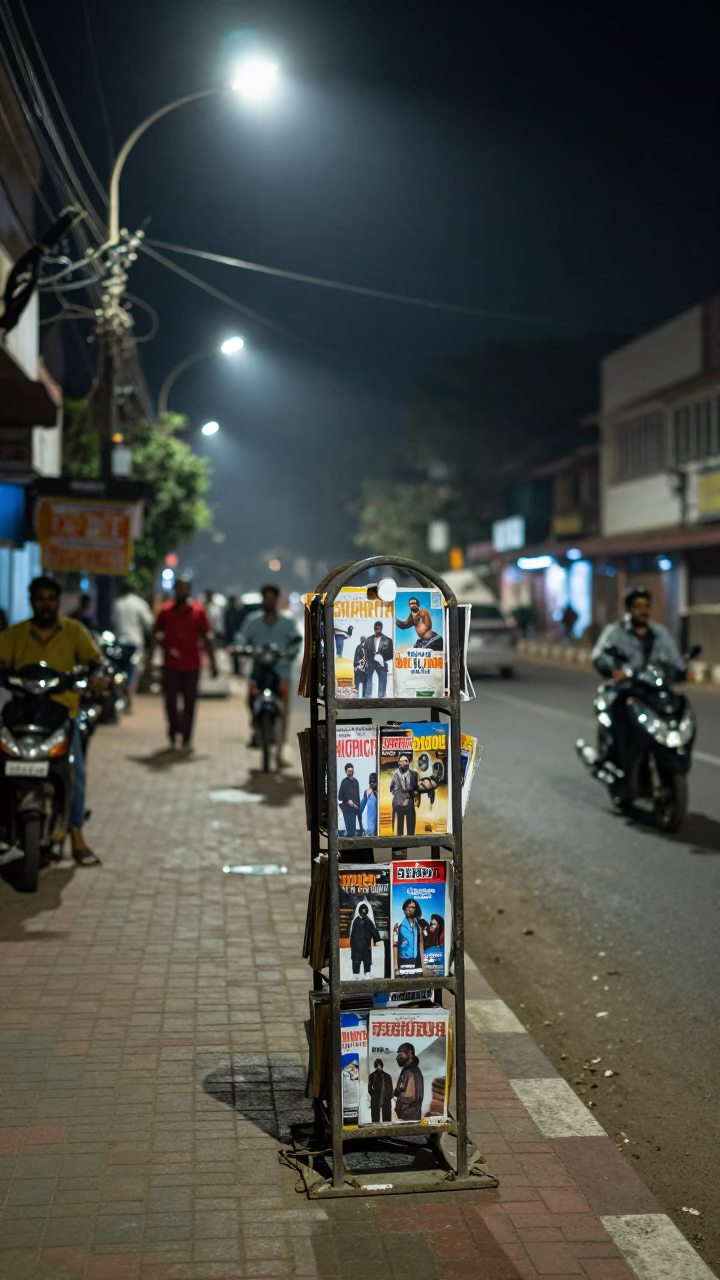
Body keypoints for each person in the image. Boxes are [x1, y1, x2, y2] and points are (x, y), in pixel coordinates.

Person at [0, 576, 104, 866]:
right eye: (39, 599)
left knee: (76, 771)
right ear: (31, 601)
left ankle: (77, 838)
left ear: (57, 602)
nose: (45, 605)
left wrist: (97, 678)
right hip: (22, 712)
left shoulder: (73, 632)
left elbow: (95, 661)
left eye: (50, 599)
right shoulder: (14, 635)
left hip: (61, 713)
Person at [591, 587, 684, 775]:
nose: (643, 611)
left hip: (653, 690)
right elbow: (598, 656)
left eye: (647, 606)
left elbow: (676, 661)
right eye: (637, 606)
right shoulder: (615, 632)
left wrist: (682, 671)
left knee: (677, 708)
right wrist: (612, 670)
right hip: (626, 690)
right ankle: (621, 765)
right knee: (622, 723)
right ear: (628, 609)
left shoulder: (660, 633)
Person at [148, 577, 217, 751]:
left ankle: (187, 737)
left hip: (192, 665)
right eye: (179, 588)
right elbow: (155, 635)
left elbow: (208, 637)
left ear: (190, 590)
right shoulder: (165, 612)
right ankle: (173, 732)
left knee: (190, 703)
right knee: (170, 702)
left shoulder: (198, 612)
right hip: (170, 664)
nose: (182, 592)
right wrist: (150, 661)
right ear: (174, 590)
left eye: (185, 588)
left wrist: (213, 663)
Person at [235, 584, 301, 753]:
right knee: (250, 694)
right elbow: (242, 638)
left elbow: (297, 641)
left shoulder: (287, 622)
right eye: (266, 598)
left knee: (285, 701)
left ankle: (281, 742)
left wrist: (288, 654)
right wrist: (240, 648)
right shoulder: (253, 621)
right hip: (259, 669)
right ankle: (256, 726)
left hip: (281, 670)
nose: (269, 602)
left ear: (277, 600)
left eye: (272, 598)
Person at [112, 581, 154, 708]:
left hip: (120, 642)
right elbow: (149, 624)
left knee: (120, 671)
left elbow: (113, 621)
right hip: (134, 642)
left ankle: (121, 697)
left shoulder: (117, 603)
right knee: (132, 672)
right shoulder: (140, 604)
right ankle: (128, 698)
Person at [393, 1042, 424, 1122]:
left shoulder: (413, 1072)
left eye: (402, 1053)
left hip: (410, 1115)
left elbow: (411, 1095)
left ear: (410, 1053)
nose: (399, 1056)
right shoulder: (406, 1070)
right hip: (404, 1113)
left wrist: (398, 1094)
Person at [393, 896, 424, 975]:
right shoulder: (399, 926)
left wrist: (423, 964)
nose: (410, 909)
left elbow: (420, 944)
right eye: (408, 907)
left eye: (413, 907)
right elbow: (395, 946)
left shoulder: (418, 926)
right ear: (404, 910)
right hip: (404, 960)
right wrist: (396, 967)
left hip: (417, 961)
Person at [390, 752, 419, 836]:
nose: (405, 763)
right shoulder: (395, 775)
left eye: (406, 761)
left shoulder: (414, 774)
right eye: (403, 761)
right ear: (399, 763)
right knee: (400, 832)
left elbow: (419, 787)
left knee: (411, 831)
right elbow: (391, 788)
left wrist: (416, 794)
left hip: (410, 804)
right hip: (399, 805)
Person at [364, 620, 394, 697]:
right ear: (374, 629)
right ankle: (367, 696)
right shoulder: (369, 640)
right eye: (376, 628)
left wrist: (382, 658)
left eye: (379, 629)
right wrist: (367, 662)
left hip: (382, 663)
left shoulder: (388, 640)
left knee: (382, 681)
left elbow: (391, 655)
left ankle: (381, 696)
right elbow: (366, 653)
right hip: (371, 663)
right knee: (368, 680)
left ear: (381, 628)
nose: (377, 630)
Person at [349, 901, 380, 975]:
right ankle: (356, 974)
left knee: (367, 960)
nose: (363, 911)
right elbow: (352, 934)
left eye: (364, 910)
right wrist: (352, 945)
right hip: (357, 946)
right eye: (362, 910)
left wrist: (377, 939)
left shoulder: (368, 921)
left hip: (366, 945)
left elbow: (374, 930)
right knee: (356, 960)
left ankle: (367, 973)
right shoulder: (356, 921)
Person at [338, 762, 361, 836]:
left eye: (352, 771)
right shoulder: (343, 783)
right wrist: (344, 807)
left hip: (354, 810)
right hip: (346, 811)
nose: (351, 773)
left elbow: (358, 796)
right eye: (349, 772)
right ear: (346, 772)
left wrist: (357, 807)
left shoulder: (356, 782)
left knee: (353, 831)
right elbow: (340, 797)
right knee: (349, 831)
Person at [368, 1058, 393, 1124]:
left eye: (379, 1065)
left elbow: (390, 1088)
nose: (378, 1067)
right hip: (376, 1098)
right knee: (375, 1119)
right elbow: (370, 1088)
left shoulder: (387, 1076)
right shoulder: (372, 1076)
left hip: (385, 1098)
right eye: (376, 1065)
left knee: (387, 1119)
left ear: (381, 1066)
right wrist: (374, 1095)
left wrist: (388, 1096)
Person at [224, 594, 244, 674]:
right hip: (231, 636)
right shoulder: (228, 612)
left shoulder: (237, 611)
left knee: (238, 653)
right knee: (233, 654)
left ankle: (238, 669)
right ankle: (236, 670)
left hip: (237, 635)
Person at [359, 771, 378, 836]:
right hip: (371, 827)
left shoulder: (378, 792)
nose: (373, 784)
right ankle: (370, 832)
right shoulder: (368, 792)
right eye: (372, 782)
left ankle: (371, 832)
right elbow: (360, 809)